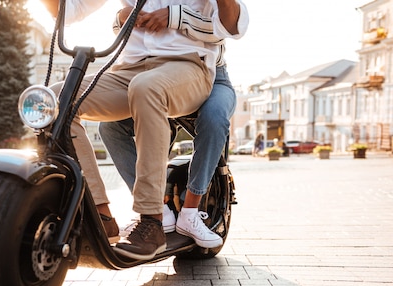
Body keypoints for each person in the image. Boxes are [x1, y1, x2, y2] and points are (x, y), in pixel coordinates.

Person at [40, 0, 248, 260]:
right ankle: (100, 215)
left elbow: (233, 25)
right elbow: (67, 12)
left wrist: (174, 16)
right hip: (131, 67)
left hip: (188, 64)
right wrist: (122, 16)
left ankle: (153, 221)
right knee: (54, 101)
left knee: (148, 89)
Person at [99, 1, 248, 248]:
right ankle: (156, 209)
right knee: (110, 127)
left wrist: (175, 17)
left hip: (209, 75)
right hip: (154, 74)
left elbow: (228, 28)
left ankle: (190, 211)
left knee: (214, 118)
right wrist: (123, 17)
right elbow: (128, 33)